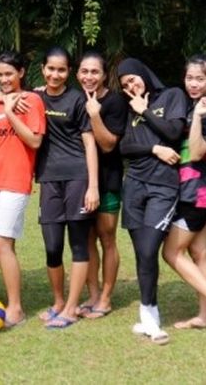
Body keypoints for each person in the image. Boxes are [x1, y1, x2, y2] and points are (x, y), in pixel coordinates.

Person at [117, 58, 188, 344]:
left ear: (144, 73)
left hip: (162, 186)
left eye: (133, 79)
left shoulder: (172, 96)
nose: (131, 86)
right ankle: (148, 315)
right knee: (141, 254)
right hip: (133, 185)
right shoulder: (129, 108)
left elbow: (173, 132)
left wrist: (145, 111)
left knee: (149, 249)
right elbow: (124, 146)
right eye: (124, 85)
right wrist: (154, 148)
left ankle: (151, 315)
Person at [161, 55, 206, 331]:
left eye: (200, 79)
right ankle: (205, 316)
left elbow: (200, 152)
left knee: (171, 252)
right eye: (189, 78)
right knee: (199, 252)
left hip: (196, 191)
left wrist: (198, 120)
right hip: (201, 189)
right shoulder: (194, 106)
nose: (193, 84)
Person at [35, 47, 99, 329]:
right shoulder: (35, 98)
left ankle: (72, 308)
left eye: (61, 70)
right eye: (51, 69)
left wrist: (93, 186)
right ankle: (59, 301)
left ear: (68, 72)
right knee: (52, 247)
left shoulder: (77, 100)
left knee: (77, 243)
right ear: (43, 69)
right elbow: (1, 95)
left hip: (77, 178)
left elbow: (89, 144)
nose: (55, 74)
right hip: (48, 179)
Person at [0, 52, 45, 327]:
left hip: (15, 182)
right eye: (0, 74)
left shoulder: (30, 101)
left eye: (9, 73)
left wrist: (10, 110)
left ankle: (16, 309)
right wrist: (2, 101)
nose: (4, 79)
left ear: (21, 73)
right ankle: (2, 296)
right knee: (1, 243)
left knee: (1, 243)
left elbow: (34, 141)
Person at [75, 50, 127, 319]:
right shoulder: (74, 99)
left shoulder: (115, 102)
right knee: (86, 239)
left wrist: (94, 115)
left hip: (107, 181)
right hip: (78, 183)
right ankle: (93, 295)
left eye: (95, 72)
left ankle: (105, 298)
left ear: (105, 75)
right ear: (77, 74)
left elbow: (108, 145)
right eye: (84, 71)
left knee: (107, 237)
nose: (89, 76)